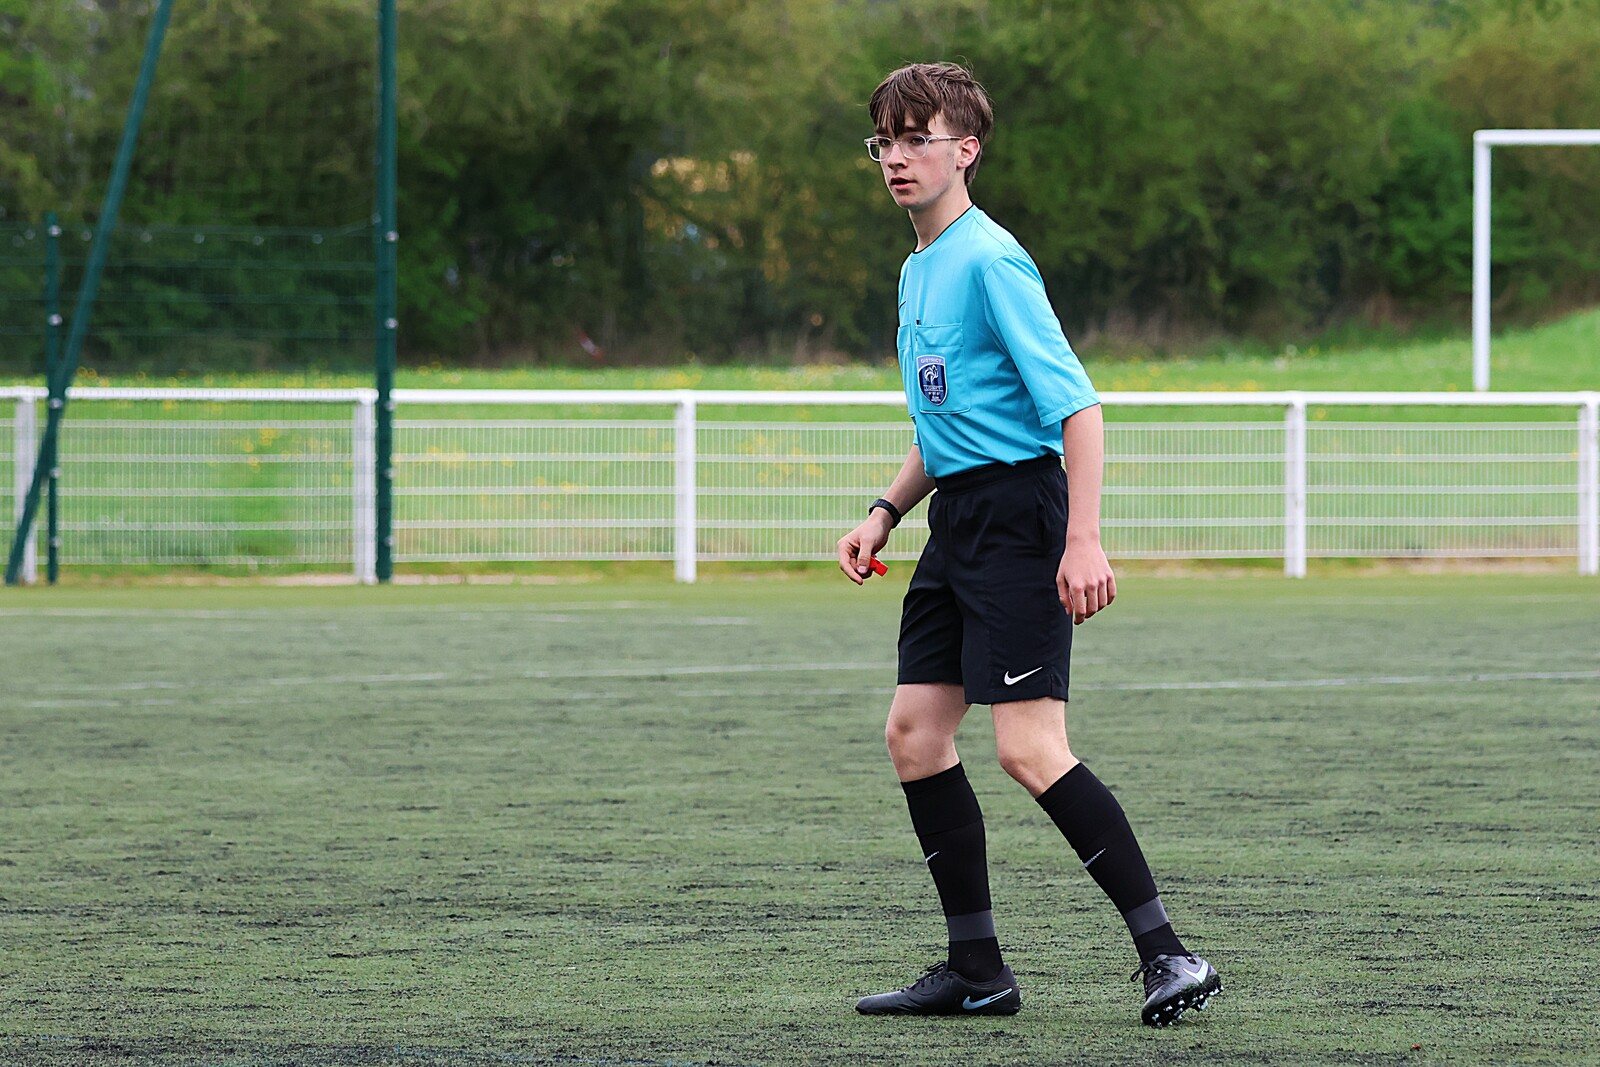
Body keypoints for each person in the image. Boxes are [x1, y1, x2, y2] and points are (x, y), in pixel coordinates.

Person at [836, 61, 1221, 1028]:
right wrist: (885, 510)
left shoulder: (991, 260)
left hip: (1020, 519)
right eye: (885, 140)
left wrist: (1082, 539)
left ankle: (1170, 954)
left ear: (966, 150)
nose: (897, 157)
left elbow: (1078, 408)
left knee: (1030, 748)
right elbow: (945, 421)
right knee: (915, 734)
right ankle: (977, 969)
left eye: (918, 139)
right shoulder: (918, 268)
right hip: (956, 520)